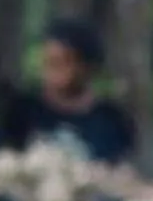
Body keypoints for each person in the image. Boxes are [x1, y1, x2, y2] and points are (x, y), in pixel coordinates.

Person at [12, 18, 137, 164]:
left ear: (86, 67)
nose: (49, 72)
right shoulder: (24, 112)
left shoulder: (111, 121)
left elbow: (120, 167)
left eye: (59, 63)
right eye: (47, 62)